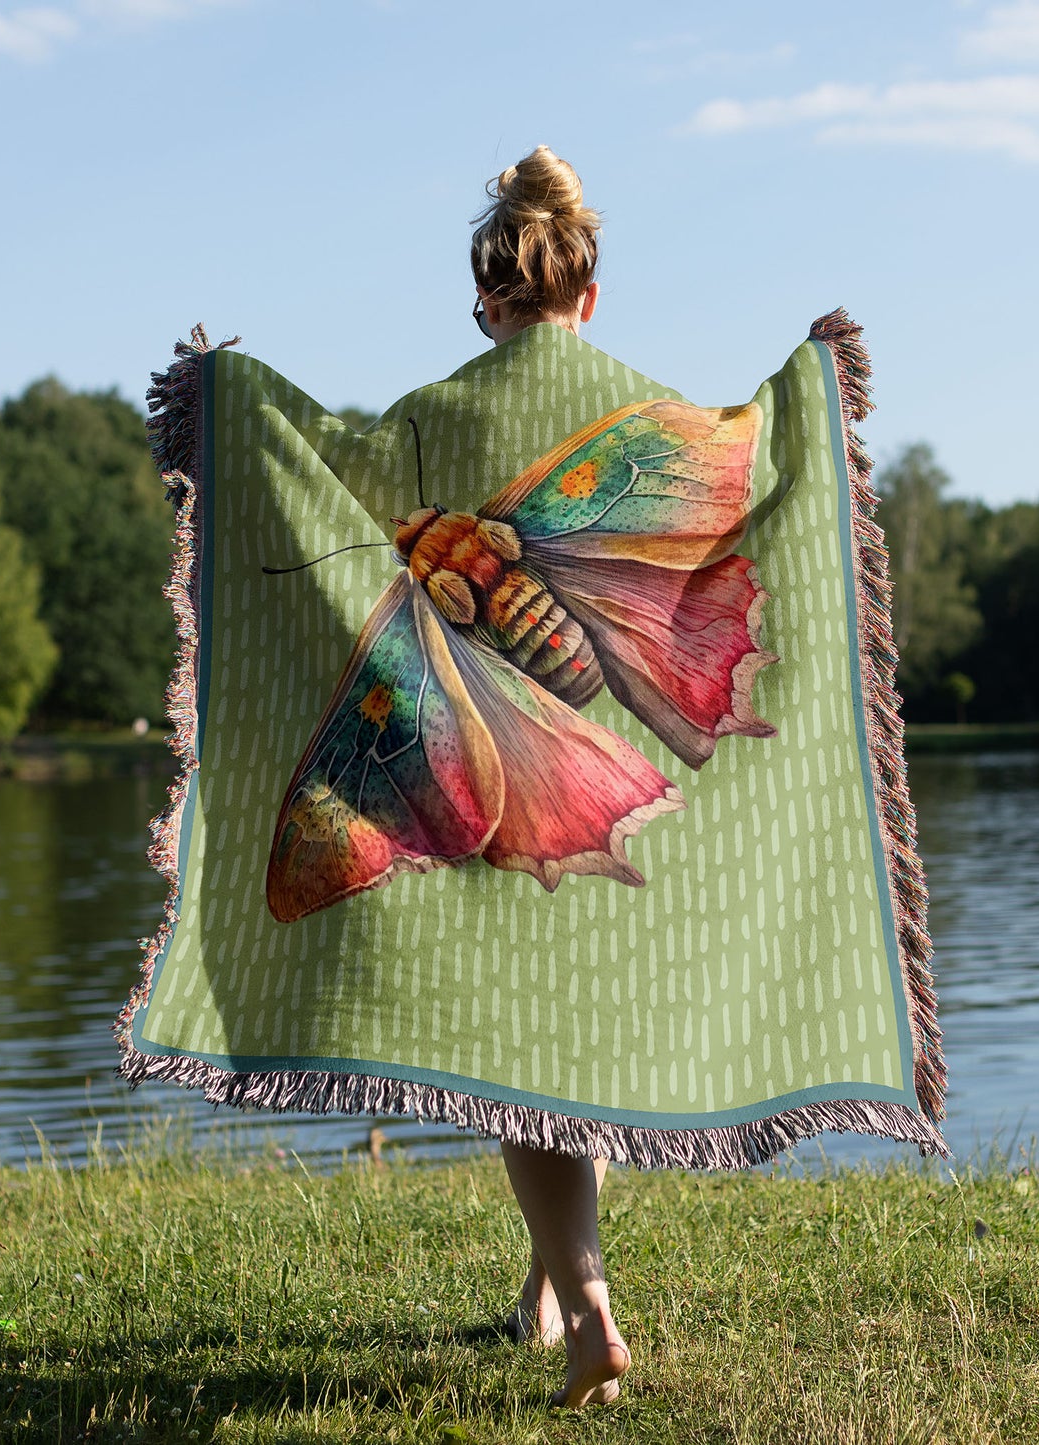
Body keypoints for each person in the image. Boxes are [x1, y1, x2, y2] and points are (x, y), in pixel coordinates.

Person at [470, 144, 629, 1410]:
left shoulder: (438, 412)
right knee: (571, 1030)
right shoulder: (641, 410)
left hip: (491, 770)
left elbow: (331, 497)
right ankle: (541, 1285)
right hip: (622, 768)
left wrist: (226, 405)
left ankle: (587, 1308)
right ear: (588, 295)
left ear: (488, 302)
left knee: (519, 1049)